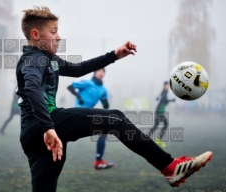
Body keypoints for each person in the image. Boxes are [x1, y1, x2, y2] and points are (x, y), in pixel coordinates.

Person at [16, 6, 212, 191]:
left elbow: (78, 69)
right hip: (44, 125)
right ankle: (169, 167)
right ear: (35, 35)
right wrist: (48, 127)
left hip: (34, 134)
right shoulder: (34, 58)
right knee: (115, 119)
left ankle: (170, 168)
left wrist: (114, 55)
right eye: (53, 32)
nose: (58, 37)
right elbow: (32, 87)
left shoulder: (49, 60)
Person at [68, 68, 114, 170]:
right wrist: (79, 97)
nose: (101, 73)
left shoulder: (103, 90)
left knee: (104, 130)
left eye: (103, 71)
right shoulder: (87, 83)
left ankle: (98, 161)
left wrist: (105, 101)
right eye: (99, 71)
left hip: (87, 115)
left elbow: (105, 106)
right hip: (77, 113)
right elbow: (70, 87)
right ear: (95, 72)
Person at [149, 81, 175, 148]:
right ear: (165, 86)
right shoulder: (164, 92)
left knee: (156, 125)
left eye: (169, 86)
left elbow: (158, 98)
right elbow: (164, 99)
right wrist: (171, 100)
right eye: (167, 86)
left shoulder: (163, 92)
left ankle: (147, 137)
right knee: (165, 124)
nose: (168, 87)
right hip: (160, 112)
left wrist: (164, 100)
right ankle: (158, 139)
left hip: (159, 111)